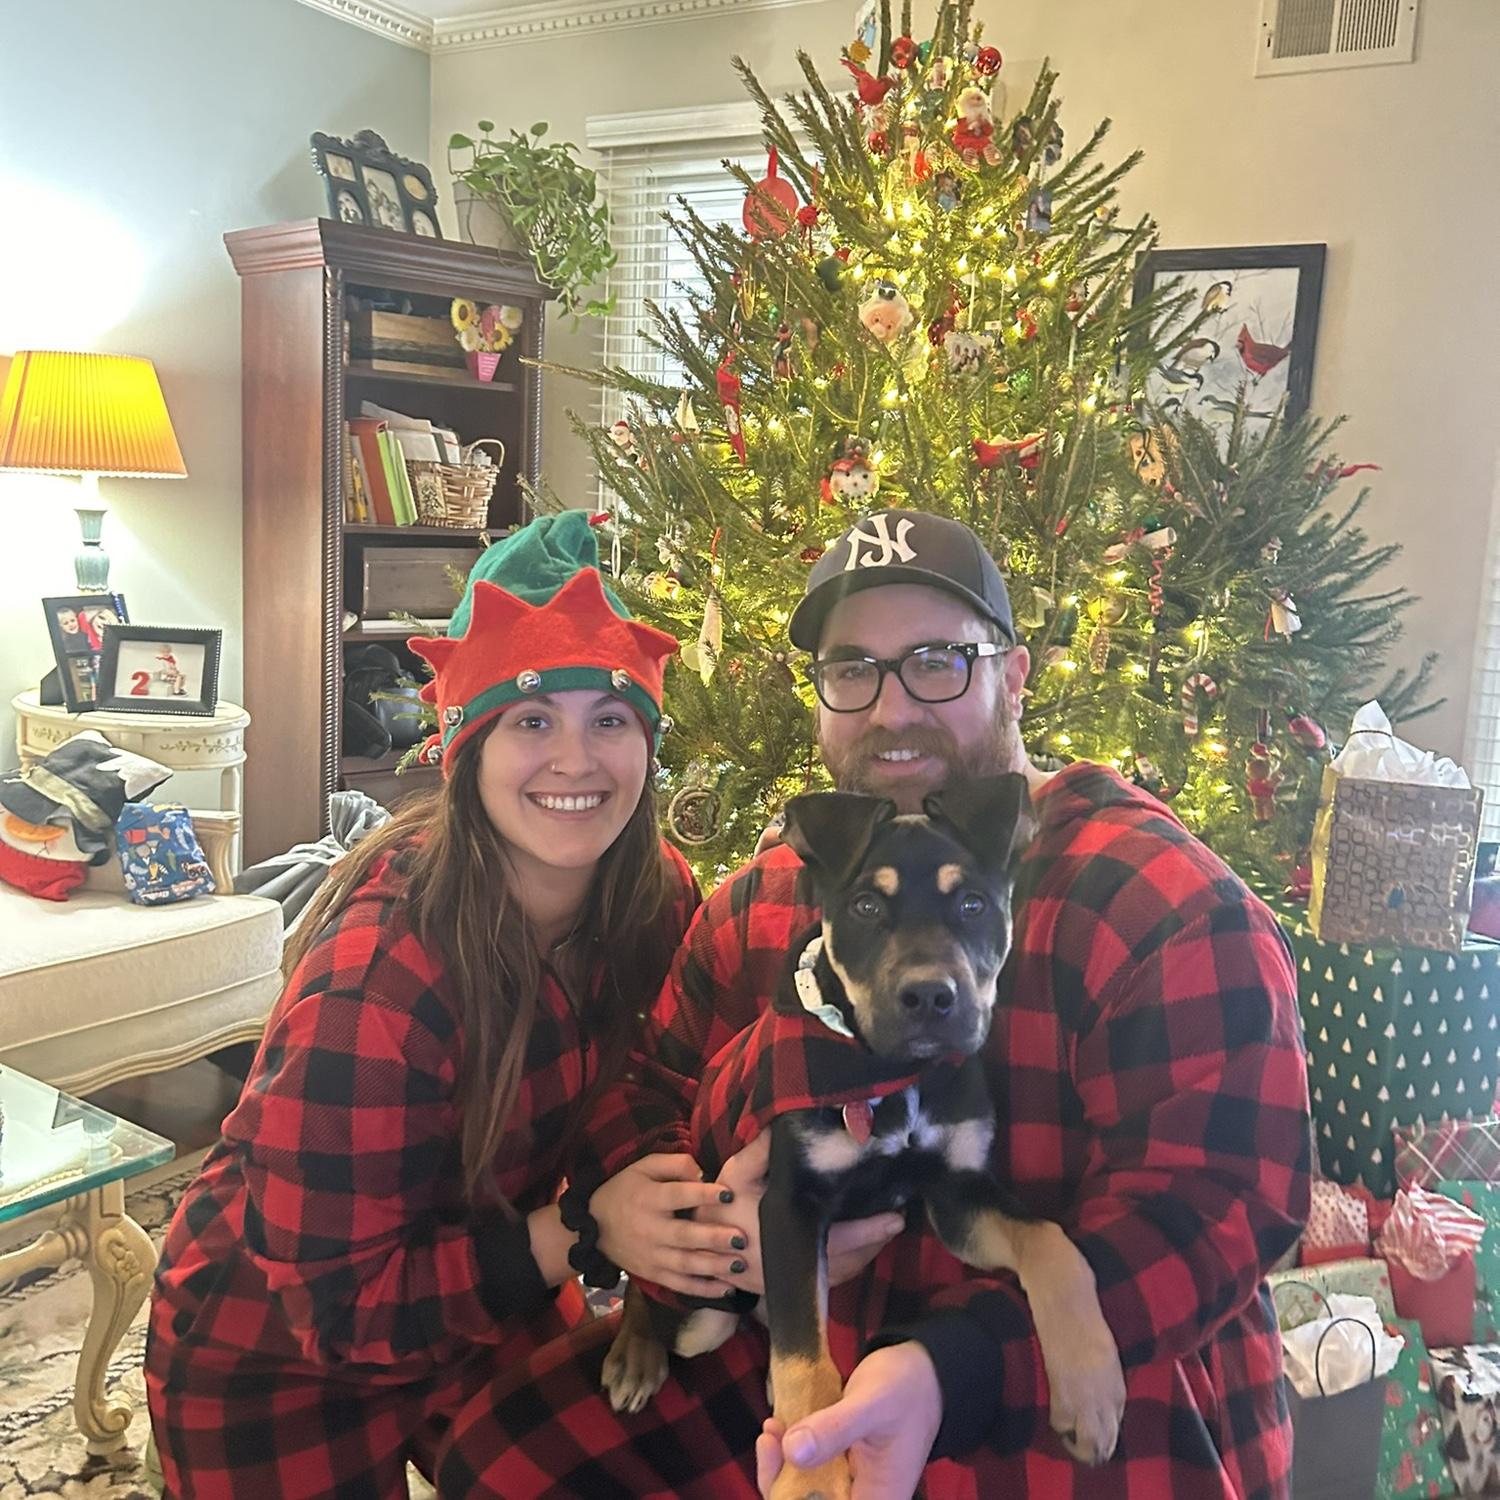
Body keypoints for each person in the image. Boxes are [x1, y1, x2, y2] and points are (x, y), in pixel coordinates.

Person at [436, 508, 1313, 1500]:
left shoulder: (1158, 904)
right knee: (507, 1458)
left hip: (1060, 1392)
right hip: (809, 1349)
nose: (892, 710)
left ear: (1015, 676)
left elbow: (1222, 1208)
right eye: (853, 670)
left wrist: (956, 1365)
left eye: (937, 662)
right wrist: (707, 1232)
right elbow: (646, 1086)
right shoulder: (766, 899)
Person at [145, 512, 755, 1498]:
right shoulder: (382, 976)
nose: (577, 761)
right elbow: (339, 1313)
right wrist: (585, 1228)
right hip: (281, 1350)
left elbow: (648, 1088)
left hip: (492, 1286)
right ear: (468, 747)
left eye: (609, 719)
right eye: (532, 721)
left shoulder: (657, 900)